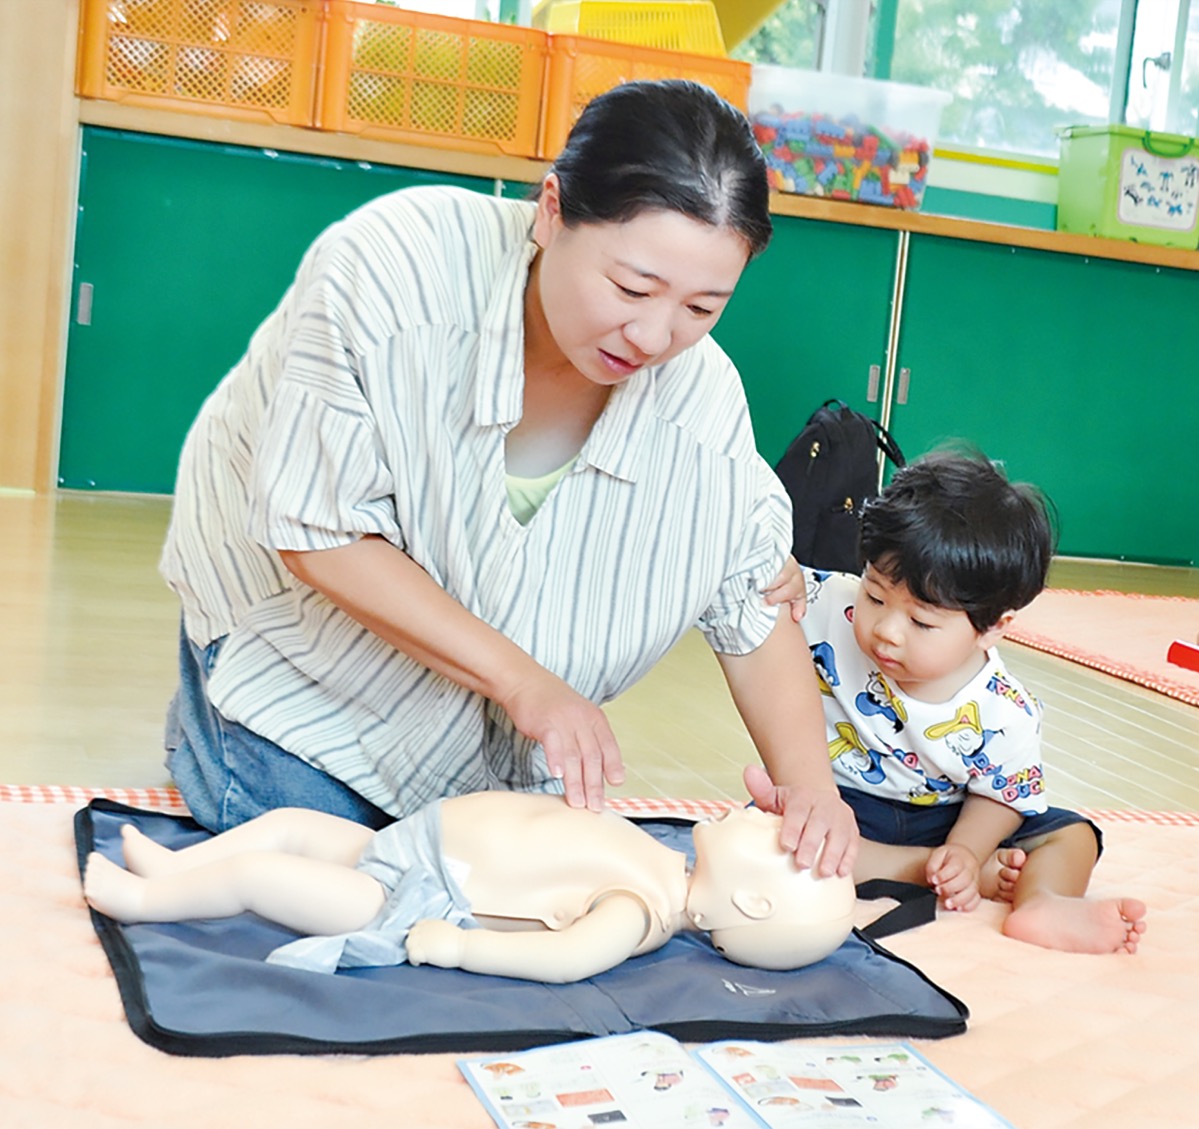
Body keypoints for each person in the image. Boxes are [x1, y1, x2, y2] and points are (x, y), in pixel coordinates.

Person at [158, 78, 856, 875]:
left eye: (703, 308)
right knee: (339, 869)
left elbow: (752, 605)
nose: (656, 334)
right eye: (632, 288)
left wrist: (813, 794)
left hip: (487, 725)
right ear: (552, 209)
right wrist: (525, 683)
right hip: (301, 660)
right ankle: (208, 720)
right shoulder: (394, 275)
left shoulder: (699, 399)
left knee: (495, 881)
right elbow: (319, 530)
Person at [799, 450, 1147, 954]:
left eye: (921, 622)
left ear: (992, 629)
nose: (886, 632)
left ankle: (1041, 901)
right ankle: (926, 871)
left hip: (946, 814)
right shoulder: (829, 603)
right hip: (841, 804)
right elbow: (770, 587)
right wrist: (782, 578)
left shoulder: (1005, 709)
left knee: (1073, 835)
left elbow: (1001, 794)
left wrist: (965, 849)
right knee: (773, 833)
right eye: (875, 596)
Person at [82, 787, 857, 982]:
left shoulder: (639, 909)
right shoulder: (663, 860)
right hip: (414, 847)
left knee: (263, 875)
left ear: (753, 900)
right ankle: (179, 867)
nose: (762, 813)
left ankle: (146, 901)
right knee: (288, 822)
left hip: (416, 900)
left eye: (770, 834)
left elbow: (561, 960)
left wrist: (455, 948)